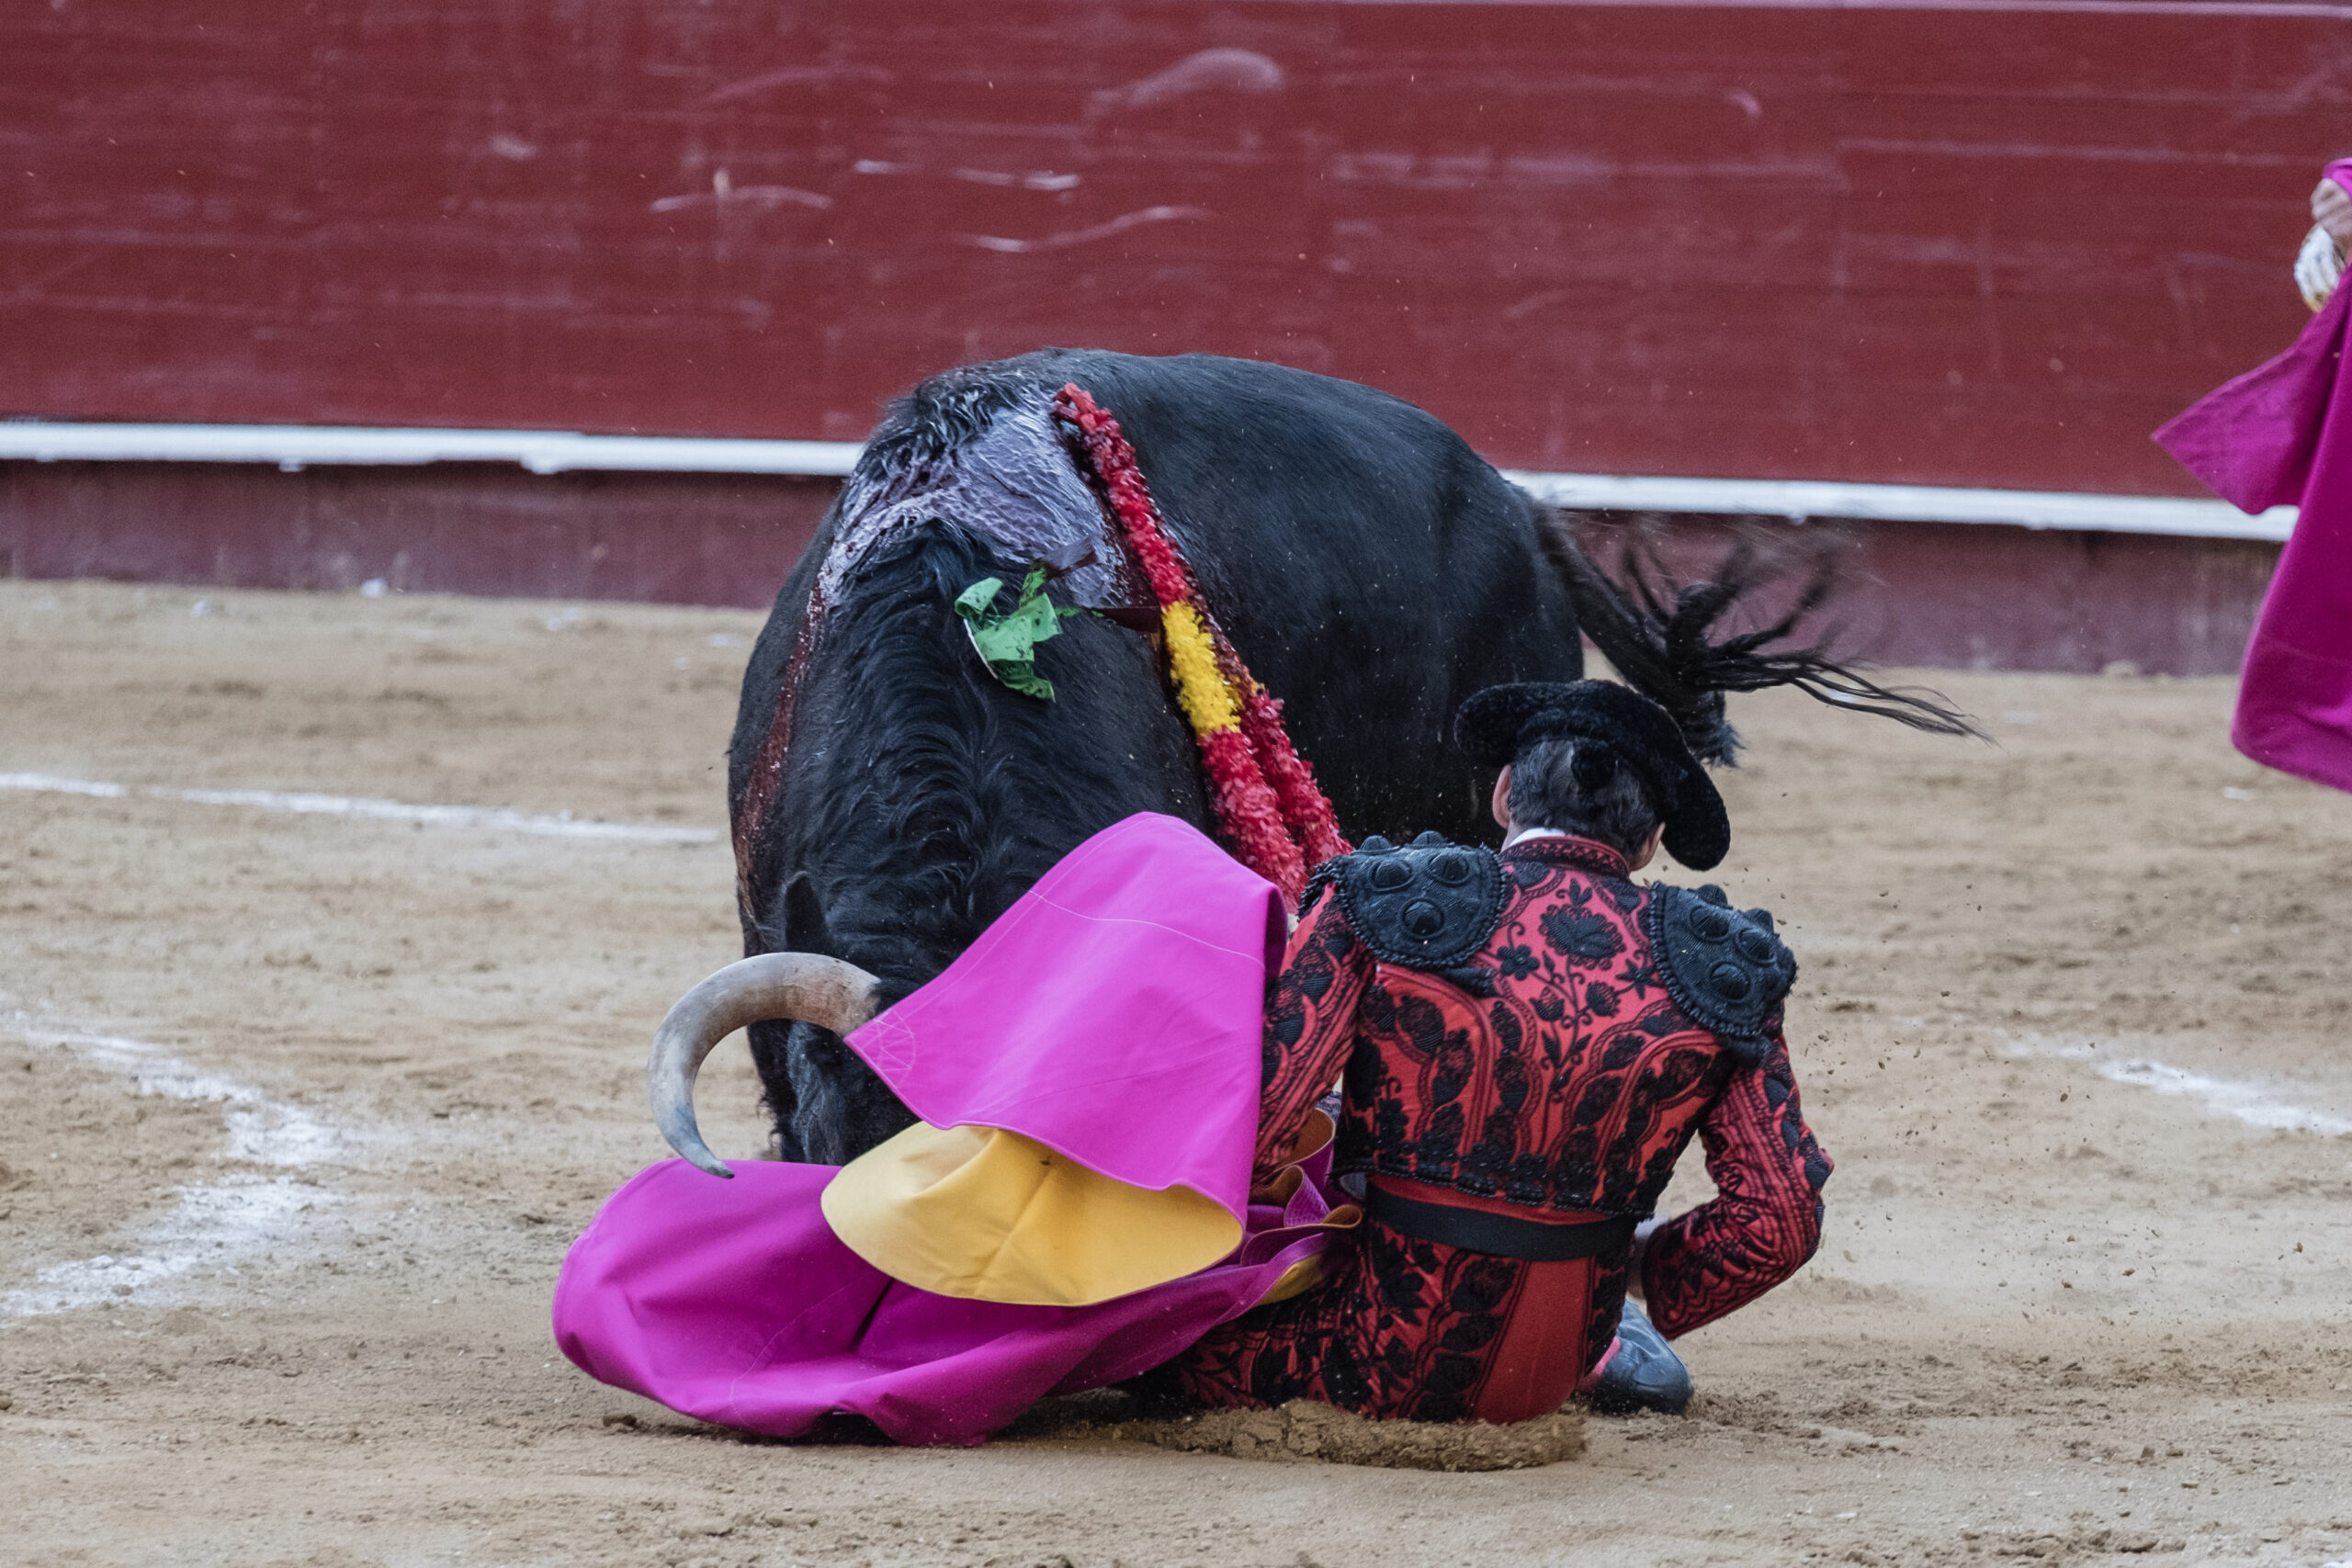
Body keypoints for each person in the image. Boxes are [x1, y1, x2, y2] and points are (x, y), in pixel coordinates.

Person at [1151, 680, 1833, 1424]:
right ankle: (1618, 1341)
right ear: (1649, 841)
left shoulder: (1376, 900)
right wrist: (1638, 1266)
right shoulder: (1723, 967)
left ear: (1506, 794)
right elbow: (1780, 1222)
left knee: (1142, 1343)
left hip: (1361, 1363)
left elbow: (1255, 1130)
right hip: (1548, 1373)